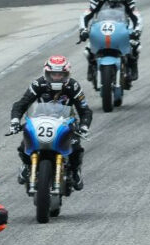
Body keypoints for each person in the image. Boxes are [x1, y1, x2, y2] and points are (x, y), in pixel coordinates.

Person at [8, 55, 92, 190]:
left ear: (67, 74)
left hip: (65, 123)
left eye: (60, 74)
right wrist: (15, 121)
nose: (57, 77)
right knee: (24, 143)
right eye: (53, 74)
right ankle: (26, 164)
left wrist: (84, 126)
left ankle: (75, 171)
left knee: (76, 147)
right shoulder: (38, 84)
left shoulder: (73, 86)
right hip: (41, 121)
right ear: (46, 73)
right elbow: (21, 104)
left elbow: (85, 109)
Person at [79, 0, 144, 82]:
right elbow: (87, 14)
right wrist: (83, 30)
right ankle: (91, 65)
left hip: (123, 24)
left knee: (136, 46)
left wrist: (137, 31)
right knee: (87, 50)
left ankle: (133, 64)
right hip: (101, 24)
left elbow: (136, 15)